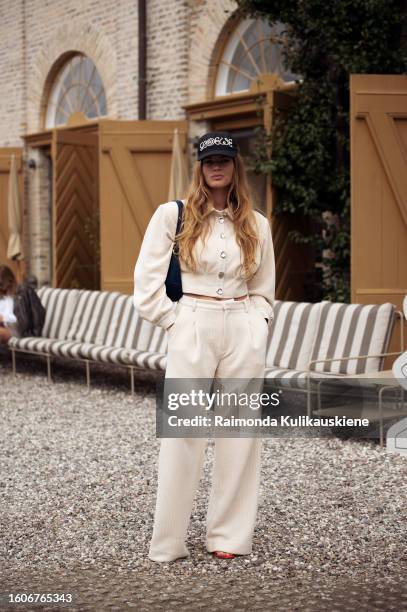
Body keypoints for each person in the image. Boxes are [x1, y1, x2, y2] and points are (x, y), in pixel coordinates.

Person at [133, 132, 275, 563]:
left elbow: (264, 289)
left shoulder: (257, 224)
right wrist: (175, 322)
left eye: (224, 160)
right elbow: (146, 284)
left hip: (242, 330)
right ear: (199, 166)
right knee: (182, 436)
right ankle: (169, 542)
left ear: (236, 167)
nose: (217, 167)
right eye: (209, 160)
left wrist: (258, 326)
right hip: (191, 324)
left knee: (240, 435)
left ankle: (228, 537)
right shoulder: (170, 216)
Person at [0, 265, 45, 344]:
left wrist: (3, 318)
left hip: (20, 330)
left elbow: (38, 314)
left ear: (9, 280)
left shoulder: (24, 291)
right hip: (5, 327)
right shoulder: (3, 296)